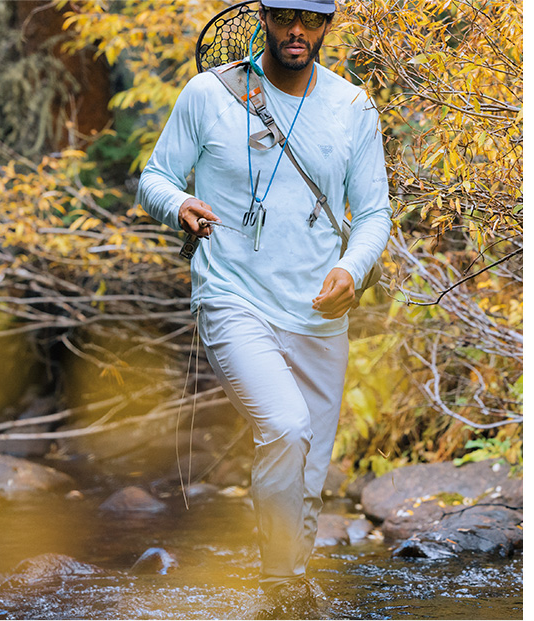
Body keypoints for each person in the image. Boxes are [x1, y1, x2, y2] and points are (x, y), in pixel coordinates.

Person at [137, 0, 391, 616]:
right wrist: (180, 206)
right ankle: (279, 587)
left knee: (307, 475)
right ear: (263, 18)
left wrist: (350, 269)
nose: (295, 32)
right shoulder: (208, 94)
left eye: (310, 20)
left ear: (328, 24)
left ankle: (289, 590)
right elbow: (155, 177)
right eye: (282, 17)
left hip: (318, 312)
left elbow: (375, 215)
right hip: (231, 297)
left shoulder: (352, 108)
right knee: (283, 426)